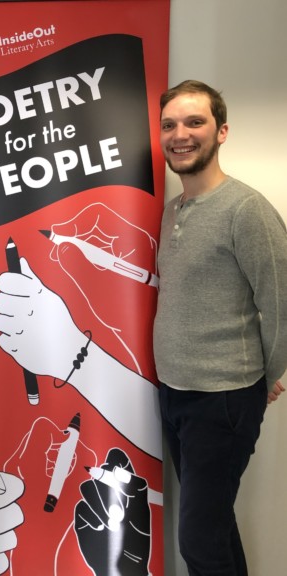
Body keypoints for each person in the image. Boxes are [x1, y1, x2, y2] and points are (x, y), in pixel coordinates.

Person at [153, 80, 287, 575]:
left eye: (194, 122)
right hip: (174, 396)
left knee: (198, 543)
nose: (180, 134)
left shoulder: (246, 210)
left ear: (221, 131)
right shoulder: (173, 212)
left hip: (223, 400)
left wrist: (260, 375)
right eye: (169, 125)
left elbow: (282, 303)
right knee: (213, 528)